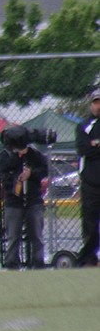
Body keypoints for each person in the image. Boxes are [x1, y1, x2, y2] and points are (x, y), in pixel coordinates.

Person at [0, 128, 48, 269]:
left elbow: (44, 170)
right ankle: (12, 263)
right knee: (13, 236)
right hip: (14, 201)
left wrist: (31, 174)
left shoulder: (34, 154)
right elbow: (2, 169)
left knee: (36, 234)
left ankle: (38, 262)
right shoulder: (5, 155)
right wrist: (16, 157)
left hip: (33, 199)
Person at [76, 89, 100, 266]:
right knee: (90, 224)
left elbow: (93, 148)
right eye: (96, 102)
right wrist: (93, 146)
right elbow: (84, 149)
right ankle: (89, 258)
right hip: (91, 183)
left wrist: (96, 143)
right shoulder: (84, 126)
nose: (98, 106)